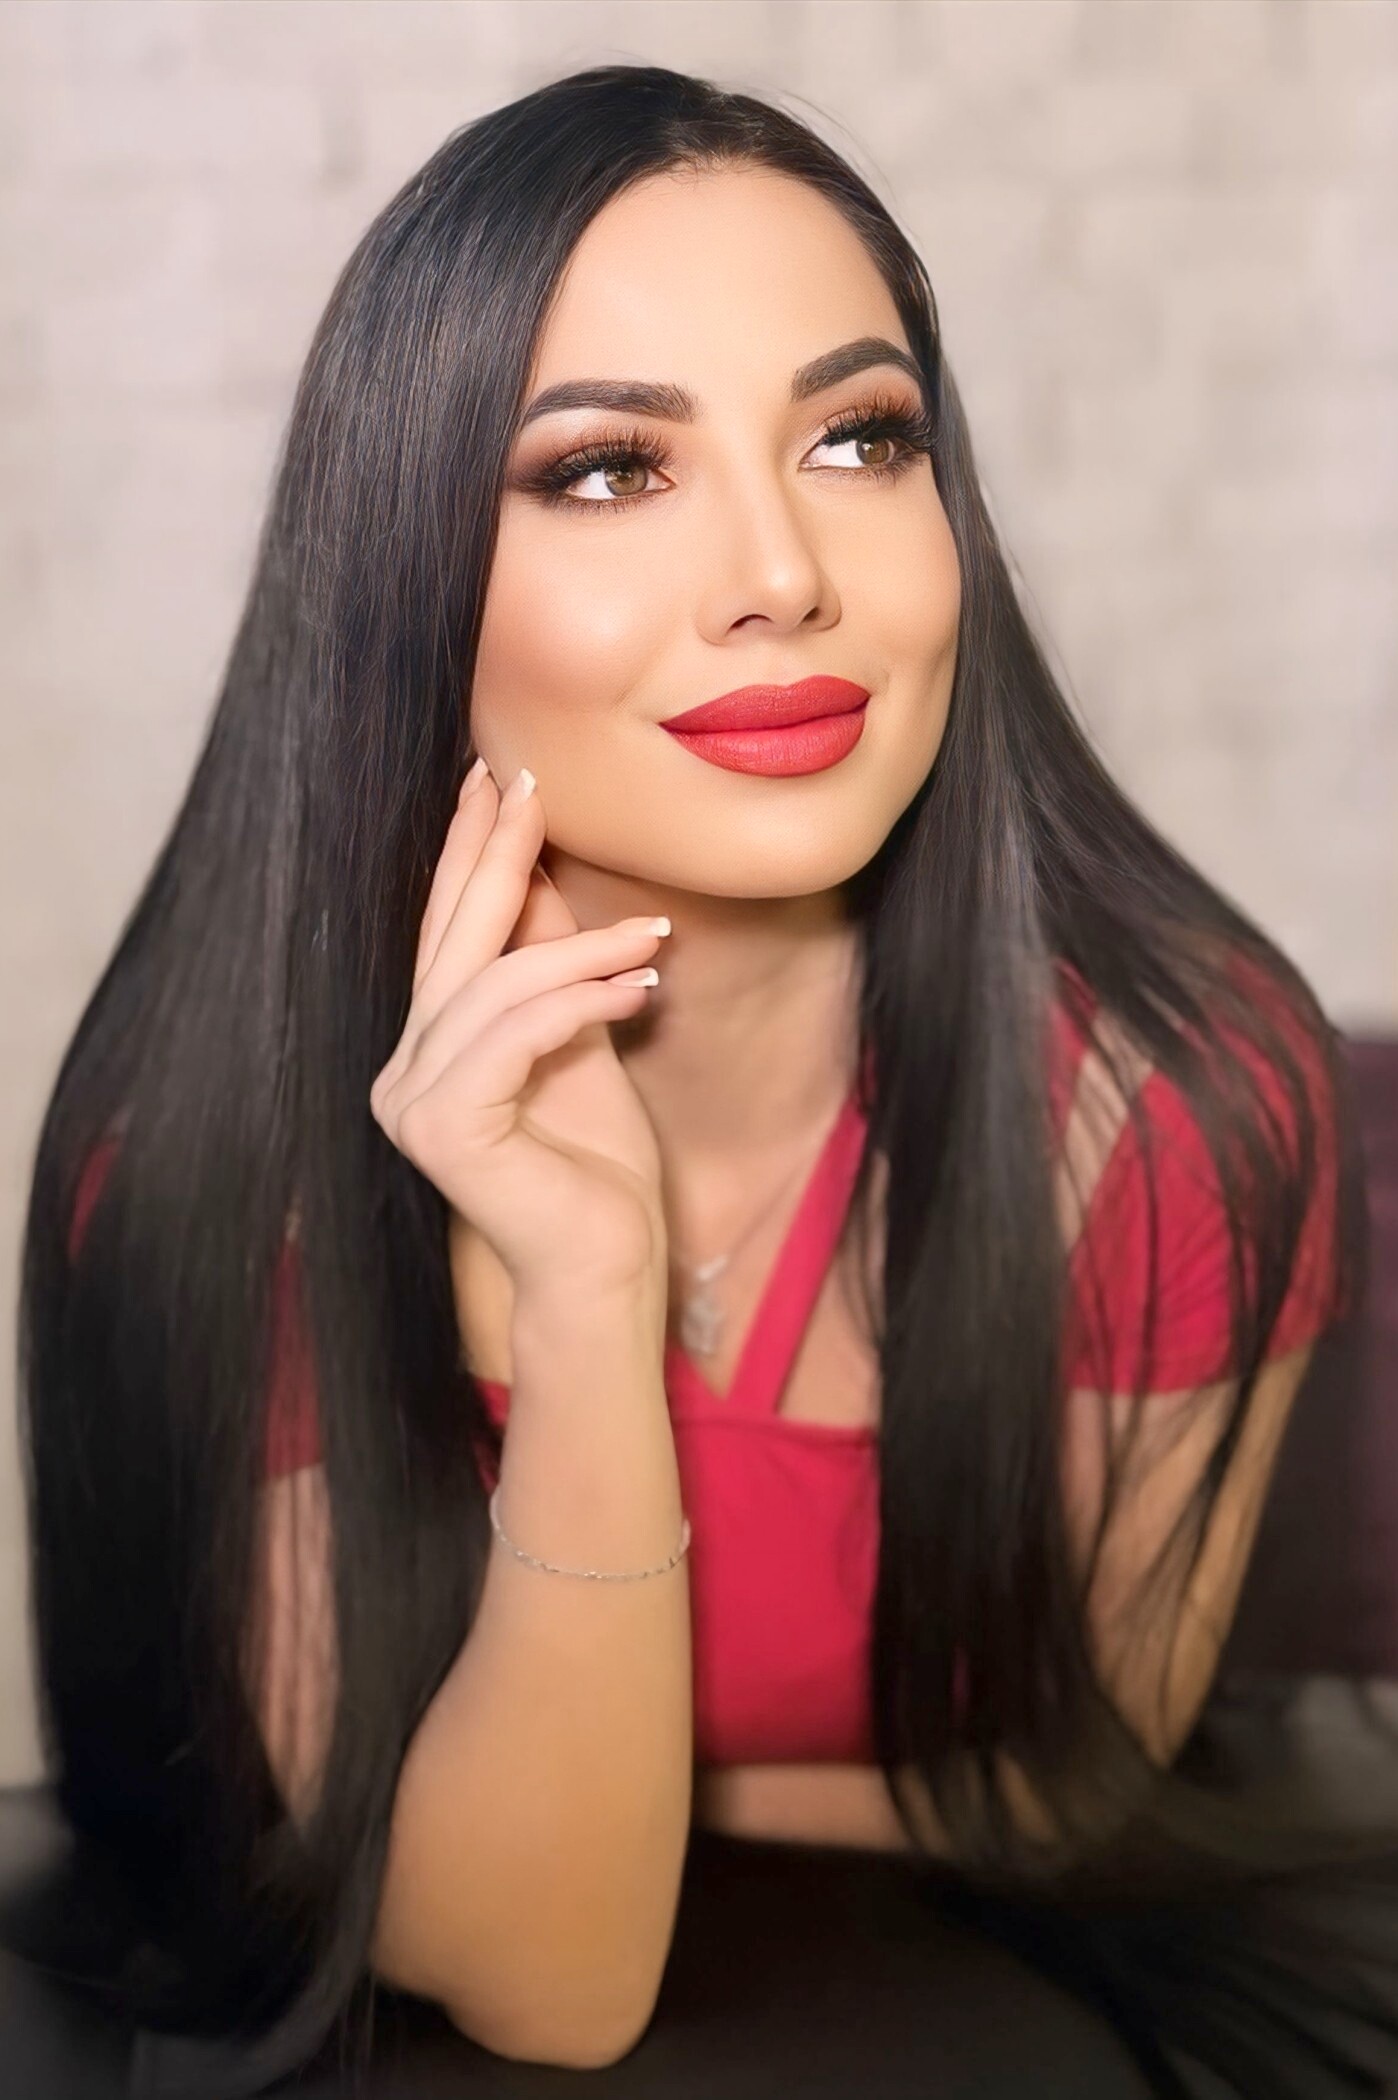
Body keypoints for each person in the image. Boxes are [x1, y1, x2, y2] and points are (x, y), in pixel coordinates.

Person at [22, 62, 1398, 2100]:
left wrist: (569, 1792)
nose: (781, 570)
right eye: (605, 470)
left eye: (860, 438)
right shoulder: (217, 1161)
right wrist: (588, 1303)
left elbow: (1070, 1780)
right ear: (404, 576)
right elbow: (549, 1985)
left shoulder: (1176, 1103)